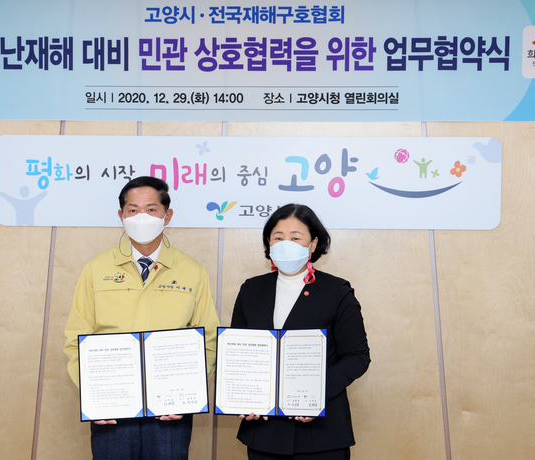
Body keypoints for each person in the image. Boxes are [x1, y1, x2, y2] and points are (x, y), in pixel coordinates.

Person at [63, 176, 220, 460]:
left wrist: (189, 393)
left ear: (167, 216)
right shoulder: (96, 269)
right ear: (121, 216)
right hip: (112, 407)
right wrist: (93, 395)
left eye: (151, 209)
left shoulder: (192, 271)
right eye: (133, 210)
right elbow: (75, 339)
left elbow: (209, 341)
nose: (142, 217)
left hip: (170, 410)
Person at [231, 204, 370, 460]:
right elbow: (239, 355)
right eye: (278, 237)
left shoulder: (337, 291)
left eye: (295, 238)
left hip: (321, 434)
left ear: (313, 243)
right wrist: (242, 397)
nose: (286, 244)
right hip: (264, 432)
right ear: (269, 243)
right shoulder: (251, 290)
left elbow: (357, 357)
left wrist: (314, 394)